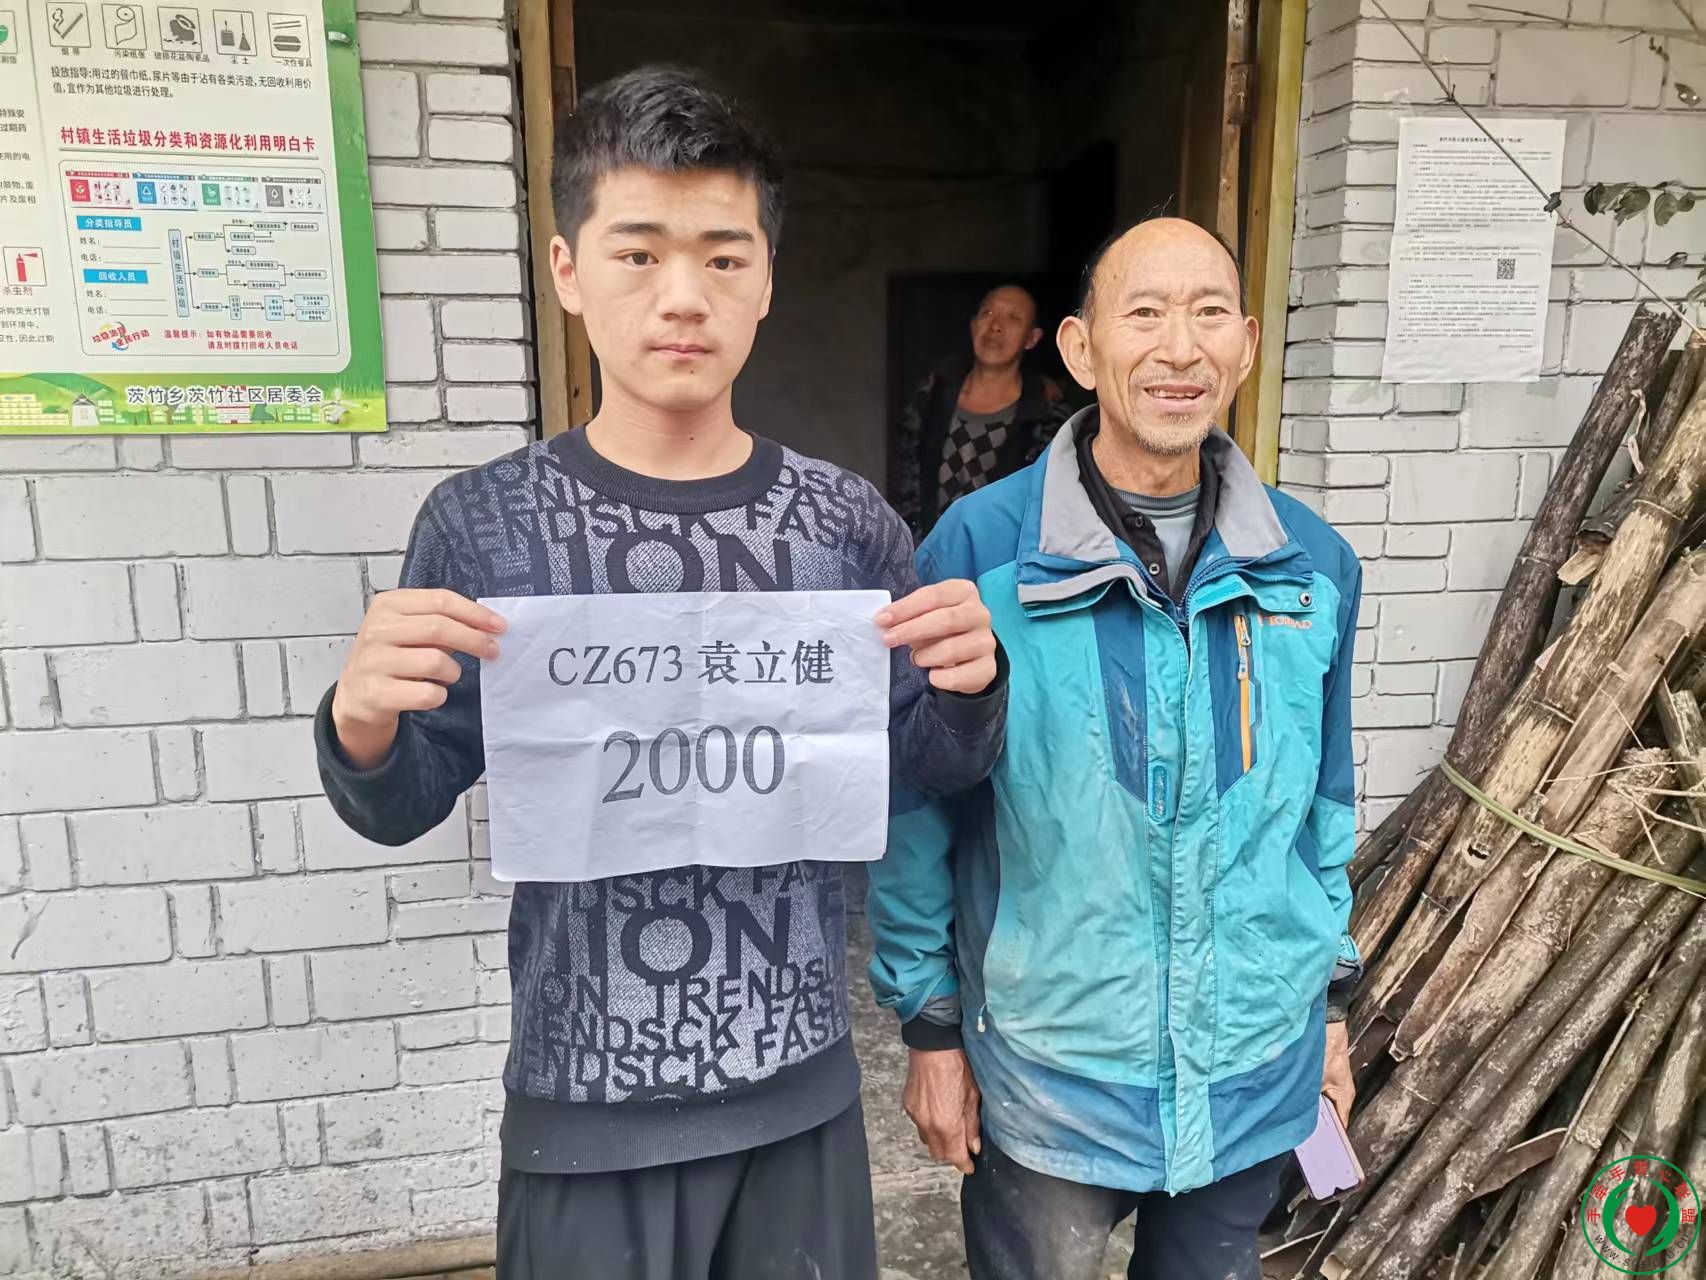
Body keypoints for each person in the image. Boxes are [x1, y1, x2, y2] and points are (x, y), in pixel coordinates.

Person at [316, 66, 1007, 1280]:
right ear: (567, 268)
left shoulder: (842, 524)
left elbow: (910, 769)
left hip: (799, 1091)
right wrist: (361, 721)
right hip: (581, 1108)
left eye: (722, 257)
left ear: (765, 278)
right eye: (637, 253)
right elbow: (405, 795)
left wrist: (969, 686)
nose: (682, 296)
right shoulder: (486, 526)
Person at [868, 216, 1362, 1280]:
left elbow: (1323, 804)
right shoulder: (980, 551)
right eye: (1144, 314)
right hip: (1053, 1073)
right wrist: (930, 1026)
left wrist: (1326, 1004)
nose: (1179, 348)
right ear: (1081, 349)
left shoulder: (1311, 564)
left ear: (1245, 348)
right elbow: (914, 803)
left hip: (1250, 1063)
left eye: (1208, 314)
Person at [893, 284, 1071, 538]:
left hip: (1005, 560)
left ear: (1032, 338)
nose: (996, 326)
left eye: (1013, 318)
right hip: (929, 555)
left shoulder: (1047, 415)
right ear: (973, 325)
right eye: (988, 313)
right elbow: (906, 487)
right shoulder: (932, 396)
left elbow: (1051, 508)